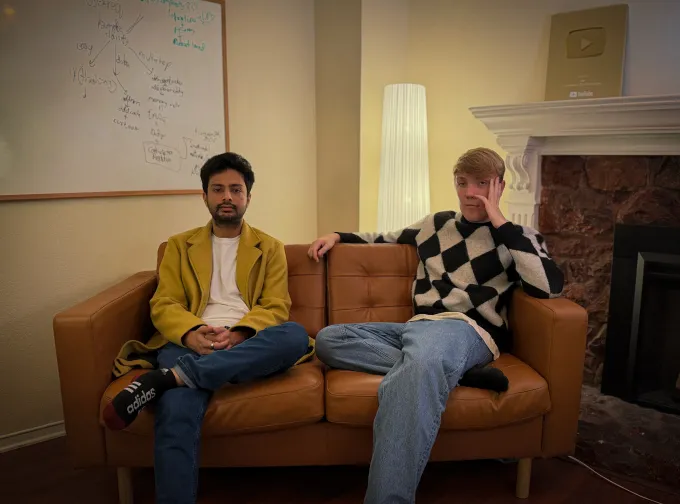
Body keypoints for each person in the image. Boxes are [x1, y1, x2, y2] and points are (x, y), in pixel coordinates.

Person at [307, 147, 564, 504]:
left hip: (466, 329)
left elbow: (549, 287)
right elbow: (384, 238)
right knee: (329, 339)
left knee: (420, 366)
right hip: (420, 328)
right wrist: (337, 235)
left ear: (499, 186)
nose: (470, 193)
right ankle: (454, 373)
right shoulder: (435, 224)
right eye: (462, 183)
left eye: (481, 184)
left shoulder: (517, 236)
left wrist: (500, 222)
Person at [104, 152, 314, 504]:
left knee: (293, 336)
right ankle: (182, 378)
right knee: (176, 409)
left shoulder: (271, 248)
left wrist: (240, 334)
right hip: (189, 341)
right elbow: (164, 303)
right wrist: (191, 332)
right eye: (218, 189)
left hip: (247, 342)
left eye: (236, 189)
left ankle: (170, 378)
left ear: (248, 197)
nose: (227, 196)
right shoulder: (178, 246)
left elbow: (276, 306)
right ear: (205, 196)